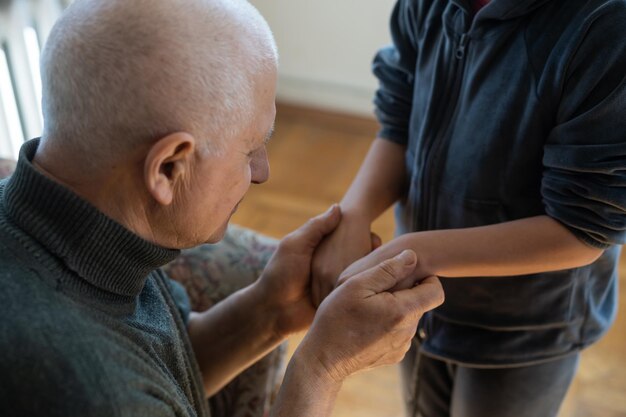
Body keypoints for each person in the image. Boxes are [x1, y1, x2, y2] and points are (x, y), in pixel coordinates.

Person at [0, 0, 446, 416]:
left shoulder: (89, 222)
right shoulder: (91, 392)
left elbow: (161, 373)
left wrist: (269, 310)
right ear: (169, 167)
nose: (262, 172)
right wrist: (323, 366)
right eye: (251, 148)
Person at [311, 0, 626, 416]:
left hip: (527, 330)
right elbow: (399, 117)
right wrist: (353, 216)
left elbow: (583, 229)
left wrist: (406, 256)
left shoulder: (608, 24)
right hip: (422, 309)